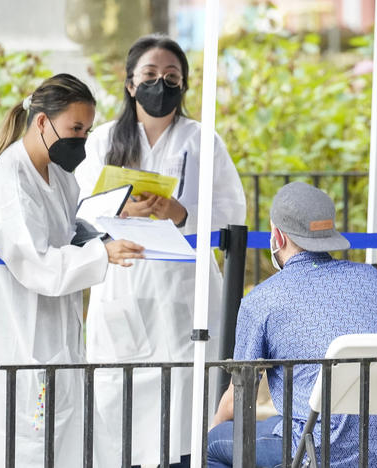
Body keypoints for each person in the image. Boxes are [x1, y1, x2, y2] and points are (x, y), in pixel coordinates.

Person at [75, 35, 246, 468]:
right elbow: (76, 210)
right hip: (124, 287)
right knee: (120, 407)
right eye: (150, 76)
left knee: (185, 406)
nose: (161, 85)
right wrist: (120, 206)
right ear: (130, 84)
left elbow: (232, 212)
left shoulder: (203, 141)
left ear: (184, 85)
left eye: (172, 77)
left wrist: (181, 211)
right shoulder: (101, 141)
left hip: (183, 294)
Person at [0, 74, 144, 467]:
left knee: (67, 439)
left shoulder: (61, 177)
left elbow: (70, 232)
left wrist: (109, 226)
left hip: (56, 343)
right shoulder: (11, 182)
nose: (81, 140)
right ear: (41, 122)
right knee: (30, 446)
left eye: (86, 130)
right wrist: (102, 254)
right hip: (23, 345)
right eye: (74, 128)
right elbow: (39, 265)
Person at [207, 182, 377, 467]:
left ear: (278, 237)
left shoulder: (263, 299)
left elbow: (238, 399)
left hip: (318, 450)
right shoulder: (372, 281)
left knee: (212, 445)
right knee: (277, 422)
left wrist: (212, 429)